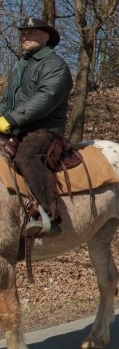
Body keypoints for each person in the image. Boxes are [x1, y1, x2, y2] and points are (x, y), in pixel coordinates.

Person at [0, 17, 73, 236]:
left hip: (45, 128)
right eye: (23, 33)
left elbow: (46, 98)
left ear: (45, 37)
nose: (24, 36)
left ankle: (48, 216)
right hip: (19, 126)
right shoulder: (21, 65)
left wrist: (10, 120)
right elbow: (7, 101)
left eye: (30, 33)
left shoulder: (55, 65)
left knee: (26, 157)